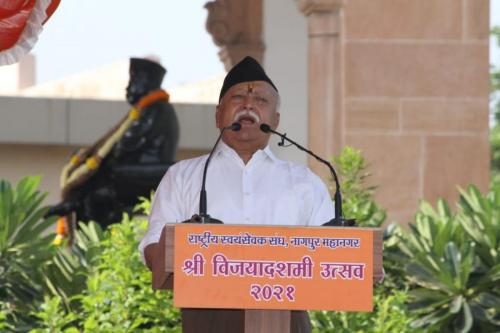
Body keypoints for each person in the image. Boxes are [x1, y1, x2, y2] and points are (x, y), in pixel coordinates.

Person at [140, 56, 334, 333]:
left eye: (261, 101)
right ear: (219, 115)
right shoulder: (183, 176)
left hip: (287, 320)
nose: (248, 106)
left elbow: (334, 256)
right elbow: (153, 250)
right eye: (238, 98)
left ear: (275, 120)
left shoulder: (303, 182)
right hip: (206, 319)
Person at [47, 57, 179, 238]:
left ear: (145, 82)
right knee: (99, 174)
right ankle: (75, 203)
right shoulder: (145, 109)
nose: (128, 88)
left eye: (132, 82)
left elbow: (125, 146)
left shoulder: (157, 109)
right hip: (136, 169)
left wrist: (96, 159)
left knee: (100, 188)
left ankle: (89, 231)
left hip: (150, 171)